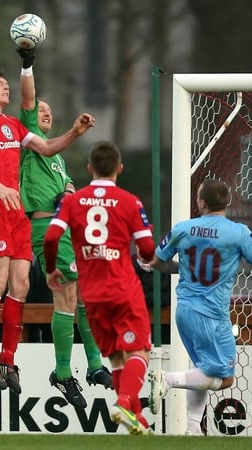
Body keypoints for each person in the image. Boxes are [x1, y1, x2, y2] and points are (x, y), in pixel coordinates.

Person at [0, 69, 94, 394]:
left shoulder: (12, 125)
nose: (5, 87)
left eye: (7, 84)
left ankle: (8, 358)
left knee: (21, 284)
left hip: (15, 210)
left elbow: (46, 148)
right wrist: (0, 187)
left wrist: (74, 133)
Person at [147, 178, 252, 436]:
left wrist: (180, 267)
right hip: (212, 315)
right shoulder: (238, 232)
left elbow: (157, 262)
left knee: (203, 369)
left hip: (185, 311)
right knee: (225, 379)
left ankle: (192, 429)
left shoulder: (183, 228)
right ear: (228, 202)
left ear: (201, 202)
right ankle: (166, 380)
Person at [15, 48, 111, 406]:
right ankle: (63, 372)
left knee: (84, 295)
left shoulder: (53, 156)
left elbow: (67, 185)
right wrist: (27, 63)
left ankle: (94, 363)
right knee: (67, 297)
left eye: (48, 111)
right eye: (41, 109)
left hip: (68, 230)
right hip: (46, 231)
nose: (45, 112)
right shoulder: (29, 142)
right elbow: (27, 96)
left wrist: (67, 192)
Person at [43, 141, 155, 435]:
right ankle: (123, 401)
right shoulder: (130, 201)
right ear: (120, 168)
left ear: (89, 168)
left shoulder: (72, 201)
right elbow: (146, 248)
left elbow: (51, 237)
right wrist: (146, 256)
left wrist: (52, 268)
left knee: (117, 357)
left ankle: (136, 417)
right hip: (122, 289)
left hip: (91, 294)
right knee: (141, 351)